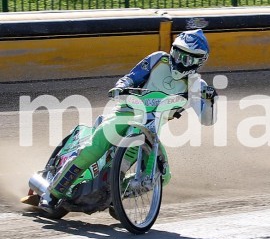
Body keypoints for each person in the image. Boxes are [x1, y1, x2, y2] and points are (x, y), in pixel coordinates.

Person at [40, 30, 217, 212]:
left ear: (199, 62)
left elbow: (207, 120)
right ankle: (51, 194)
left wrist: (211, 100)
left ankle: (117, 196)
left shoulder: (197, 85)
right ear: (172, 50)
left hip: (152, 130)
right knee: (94, 147)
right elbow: (132, 77)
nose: (180, 61)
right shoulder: (158, 59)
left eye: (188, 59)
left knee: (163, 177)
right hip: (125, 112)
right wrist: (121, 87)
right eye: (178, 54)